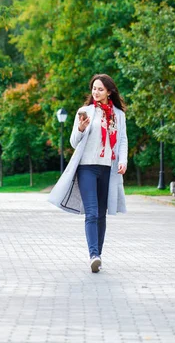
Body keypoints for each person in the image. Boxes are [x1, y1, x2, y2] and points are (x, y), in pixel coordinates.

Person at [48, 74, 128, 273]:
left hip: (107, 169)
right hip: (87, 168)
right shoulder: (85, 111)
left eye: (100, 89)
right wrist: (81, 129)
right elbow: (74, 142)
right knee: (91, 212)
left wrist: (123, 160)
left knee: (102, 214)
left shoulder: (118, 115)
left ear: (109, 92)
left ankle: (97, 255)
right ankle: (93, 254)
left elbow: (123, 140)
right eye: (94, 88)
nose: (96, 92)